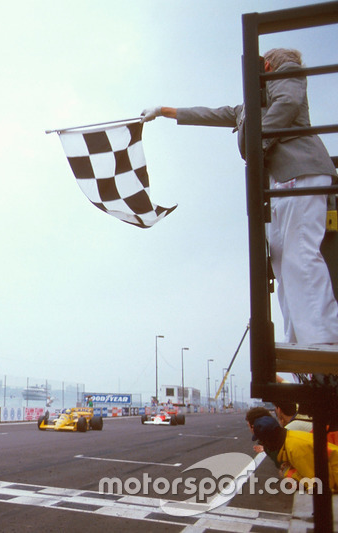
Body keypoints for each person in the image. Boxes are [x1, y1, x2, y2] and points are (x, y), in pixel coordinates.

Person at [142, 48, 338, 345]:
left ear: (267, 65)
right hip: (285, 180)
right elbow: (213, 113)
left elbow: (288, 103)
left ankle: (323, 335)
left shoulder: (286, 73)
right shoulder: (251, 107)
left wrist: (258, 142)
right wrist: (164, 111)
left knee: (301, 251)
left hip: (302, 171)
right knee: (284, 258)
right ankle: (301, 336)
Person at [252, 415, 338, 492]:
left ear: (269, 440)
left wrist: (300, 485)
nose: (263, 444)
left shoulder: (295, 449)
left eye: (262, 441)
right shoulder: (291, 438)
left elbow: (322, 486)